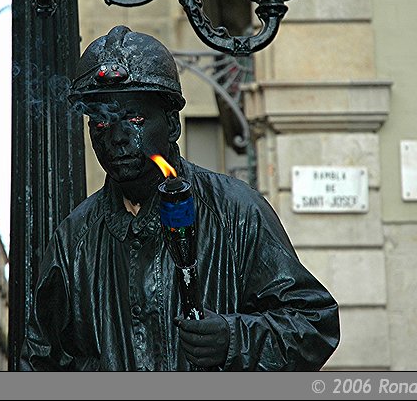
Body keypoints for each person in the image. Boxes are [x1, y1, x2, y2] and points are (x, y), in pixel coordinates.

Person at [19, 26, 340, 371]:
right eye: (100, 123)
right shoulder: (74, 240)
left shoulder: (236, 212)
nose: (117, 137)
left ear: (172, 125)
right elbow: (41, 360)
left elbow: (314, 325)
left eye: (135, 118)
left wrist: (235, 339)